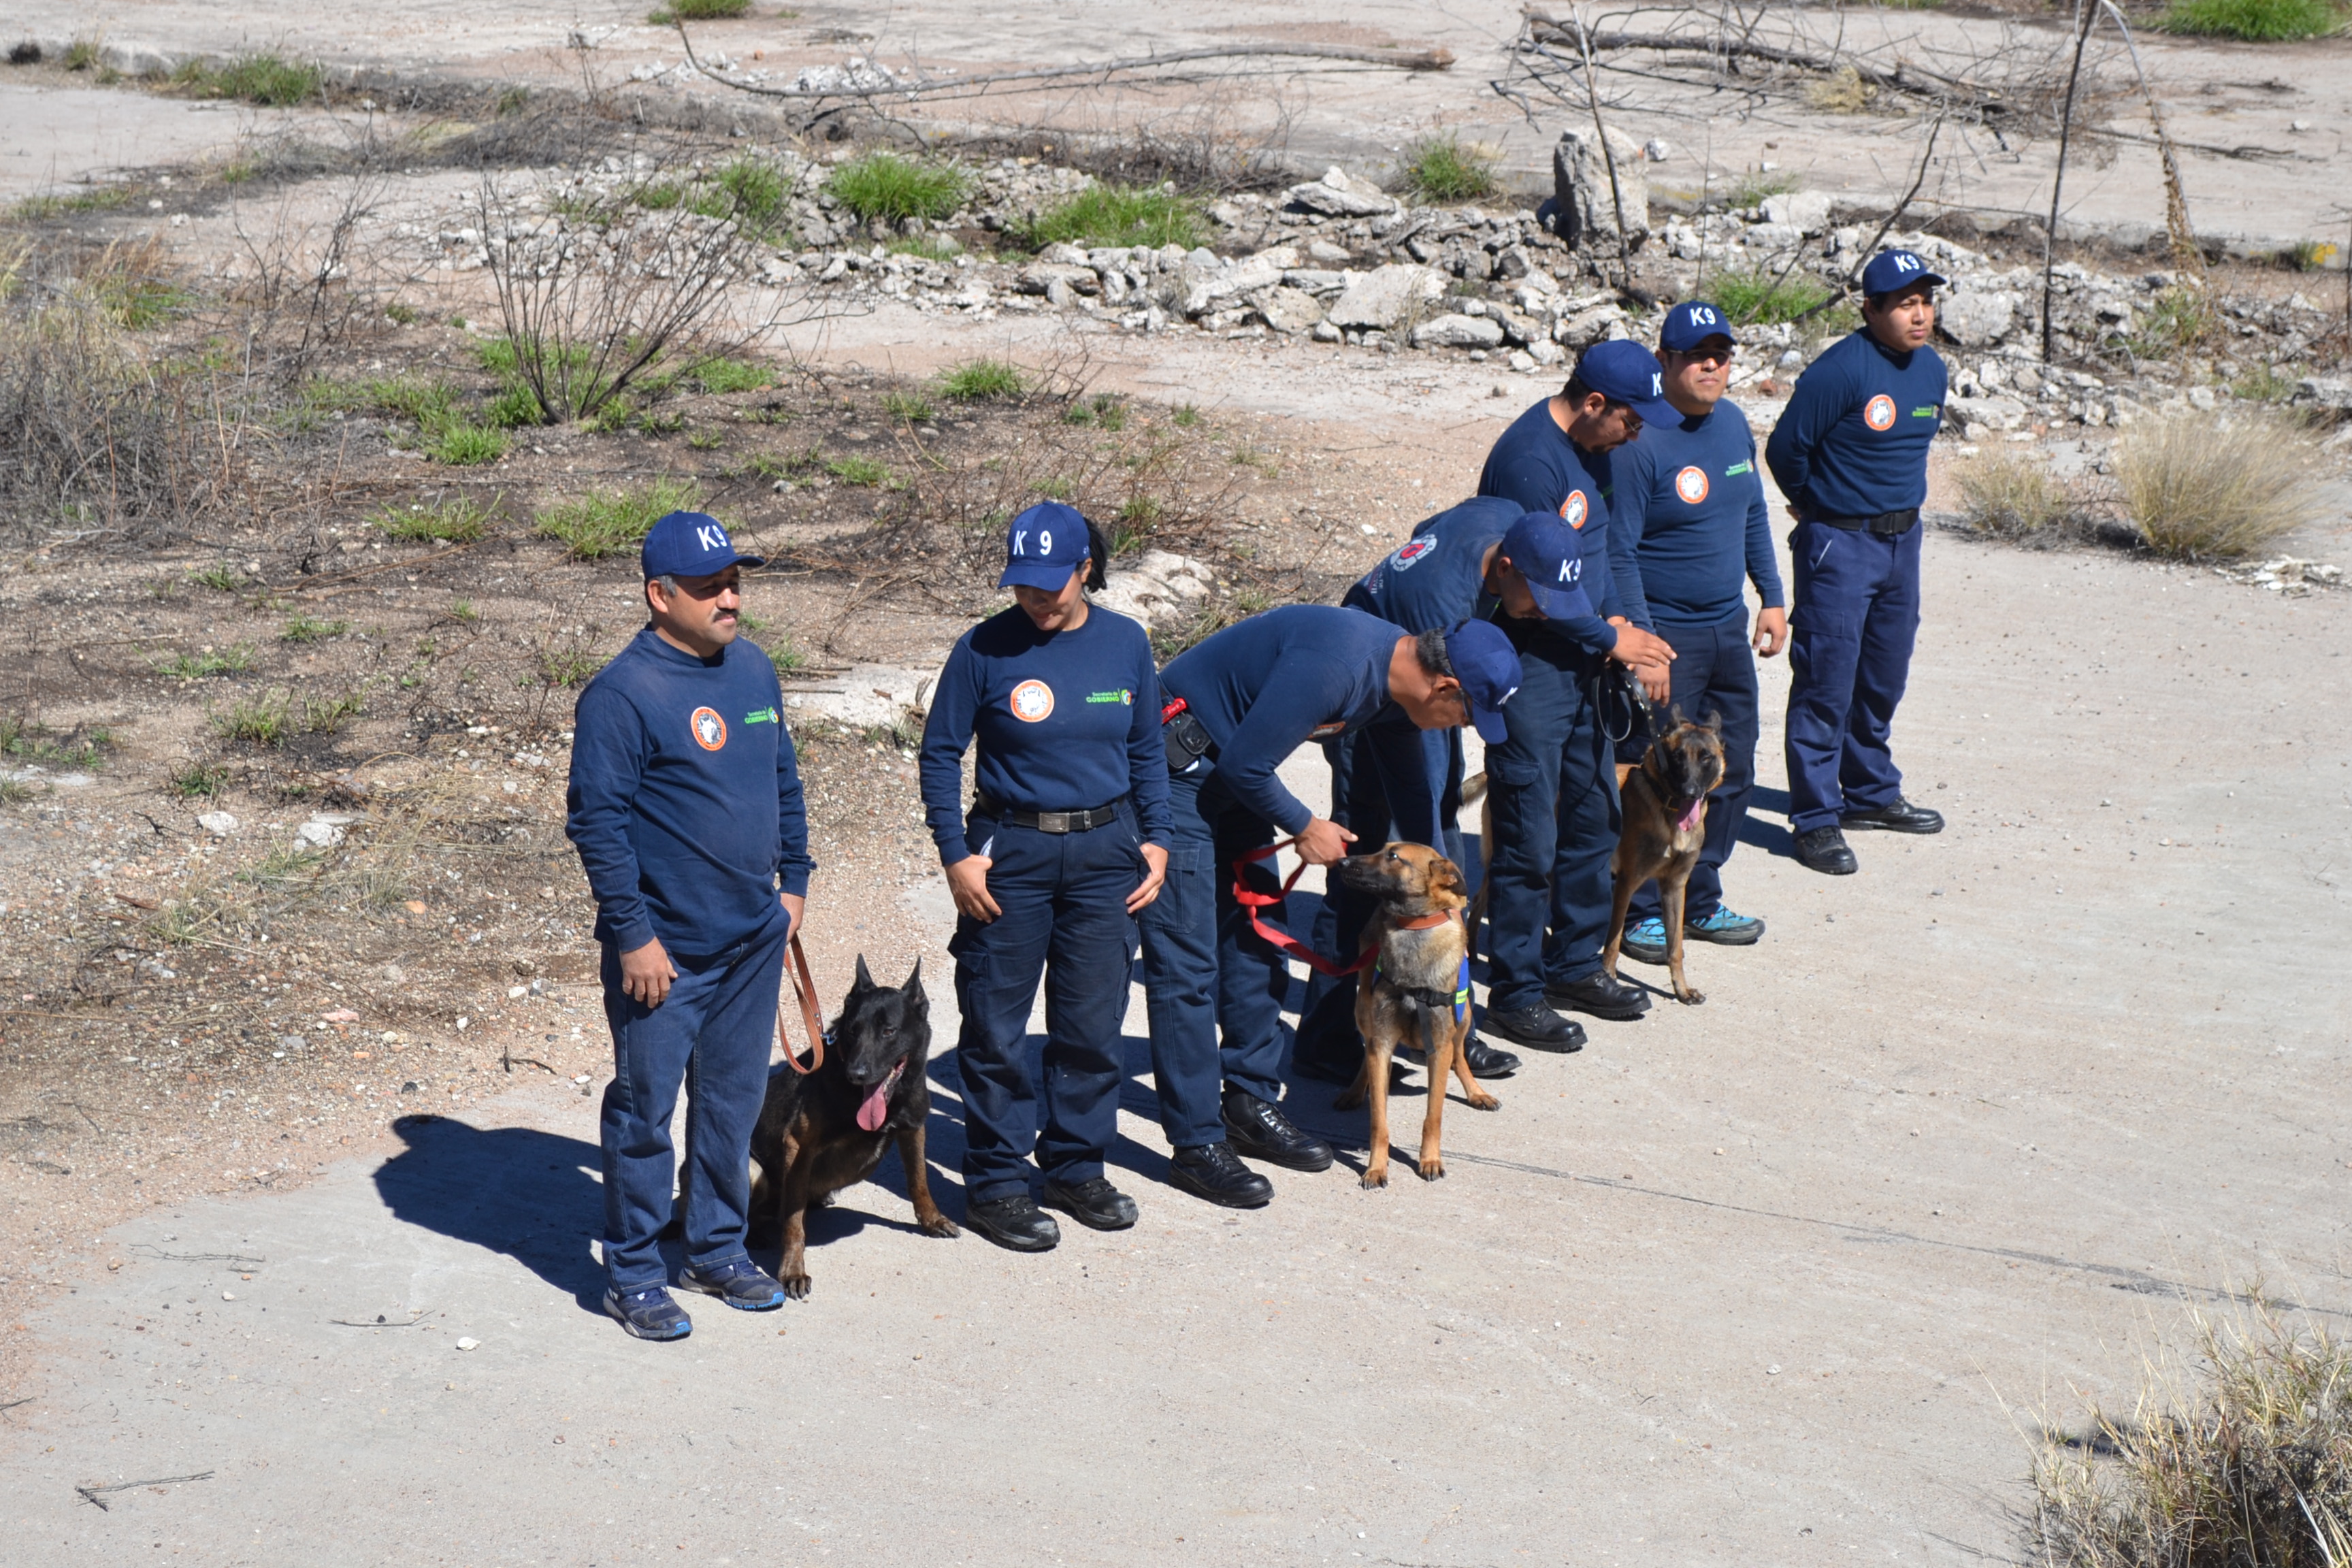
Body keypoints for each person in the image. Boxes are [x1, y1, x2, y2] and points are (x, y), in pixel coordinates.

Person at [1139, 606, 1524, 1207]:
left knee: (1256, 946)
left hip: (1234, 774)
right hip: (1178, 770)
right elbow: (1246, 764)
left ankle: (1249, 1103)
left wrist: (1445, 900)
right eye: (1469, 716)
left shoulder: (1398, 695)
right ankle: (1196, 1145)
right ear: (1445, 688)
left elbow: (1416, 809)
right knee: (1186, 965)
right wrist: (1303, 824)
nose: (1465, 729)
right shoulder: (1342, 665)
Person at [566, 510, 813, 1341]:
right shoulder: (622, 695)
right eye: (710, 587)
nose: (730, 598)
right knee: (644, 1114)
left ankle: (715, 1247)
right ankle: (634, 1270)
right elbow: (596, 825)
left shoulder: (754, 674)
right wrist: (633, 935)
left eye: (735, 582)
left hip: (752, 939)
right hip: (665, 953)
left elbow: (783, 782)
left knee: (733, 1106)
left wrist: (796, 884)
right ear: (659, 595)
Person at [917, 504, 1171, 1255]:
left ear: (1084, 568)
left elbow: (1147, 750)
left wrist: (1157, 840)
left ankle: (1074, 1167)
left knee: (1092, 1027)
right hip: (1011, 856)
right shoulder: (984, 648)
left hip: (1104, 855)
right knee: (996, 1028)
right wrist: (955, 855)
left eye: (1050, 584)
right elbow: (939, 753)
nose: (1035, 598)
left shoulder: (1125, 643)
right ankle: (995, 1183)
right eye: (1022, 584)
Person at [1292, 501, 1598, 1085]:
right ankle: (1339, 1038)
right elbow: (1425, 819)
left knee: (1435, 849)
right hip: (1375, 707)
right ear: (1505, 566)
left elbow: (1424, 530)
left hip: (1427, 692)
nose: (1541, 615)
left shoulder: (1502, 519)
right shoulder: (1438, 606)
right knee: (1379, 868)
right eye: (1540, 598)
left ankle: (1442, 1029)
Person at [1473, 340, 1680, 1050]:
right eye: (1631, 418)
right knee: (1530, 834)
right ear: (1593, 403)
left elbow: (1605, 551)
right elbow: (1525, 583)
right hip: (1533, 666)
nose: (1638, 431)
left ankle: (1574, 964)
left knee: (1593, 820)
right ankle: (1518, 990)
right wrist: (1609, 637)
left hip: (1587, 663)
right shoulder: (1530, 461)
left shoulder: (1599, 449)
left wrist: (1623, 624)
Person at [1603, 301, 1788, 963]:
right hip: (1669, 636)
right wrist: (1644, 645)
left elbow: (1752, 517)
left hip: (1726, 628)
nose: (1712, 365)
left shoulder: (1735, 425)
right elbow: (1618, 551)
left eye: (1722, 354)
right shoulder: (1641, 441)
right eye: (1696, 355)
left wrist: (1772, 596)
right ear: (1666, 362)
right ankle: (1643, 906)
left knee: (1729, 767)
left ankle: (1700, 895)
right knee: (1663, 776)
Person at [1764, 248, 1950, 877]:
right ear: (1870, 309)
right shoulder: (1838, 373)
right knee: (1826, 681)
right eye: (1904, 304)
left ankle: (1869, 793)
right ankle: (1815, 818)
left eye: (1925, 301)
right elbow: (1787, 449)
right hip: (1840, 544)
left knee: (1883, 674)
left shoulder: (1932, 371)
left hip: (1904, 544)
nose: (1919, 315)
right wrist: (1816, 506)